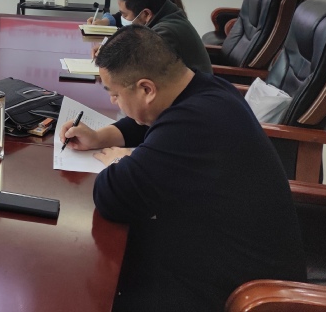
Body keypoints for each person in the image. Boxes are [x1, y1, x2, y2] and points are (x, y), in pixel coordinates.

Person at [60, 25, 306, 311]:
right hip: (222, 252)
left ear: (146, 89)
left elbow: (112, 196)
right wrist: (101, 137)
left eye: (114, 94)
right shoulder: (209, 89)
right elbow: (148, 123)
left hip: (242, 293)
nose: (113, 101)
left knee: (93, 285)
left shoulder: (192, 125)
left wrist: (118, 160)